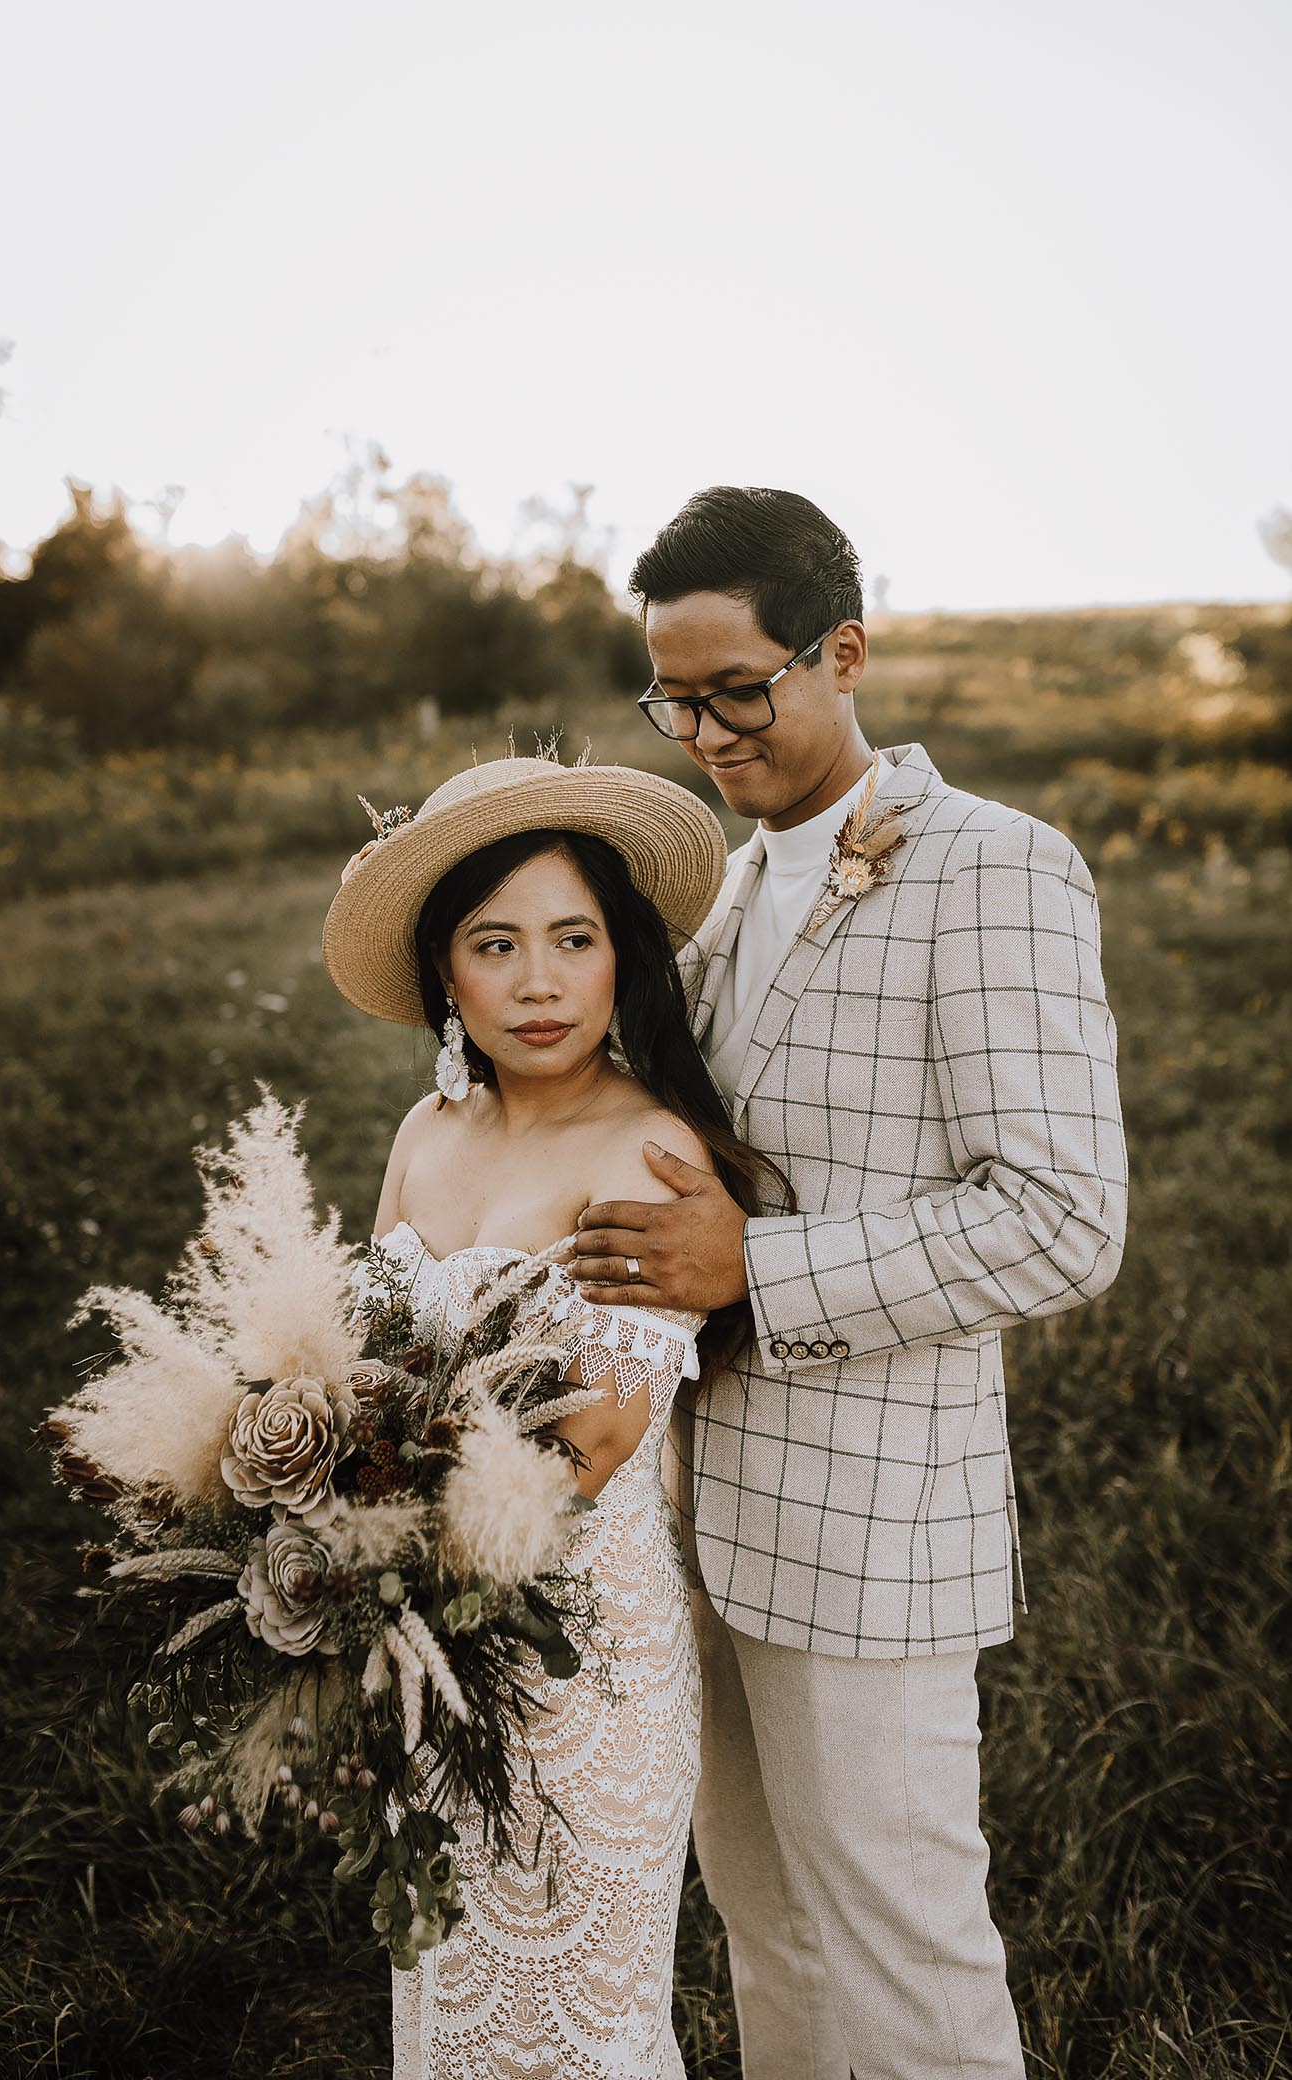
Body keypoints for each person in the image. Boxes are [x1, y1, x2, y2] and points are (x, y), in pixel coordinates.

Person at [570, 486, 1129, 2079]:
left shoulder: (993, 867)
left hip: (876, 1516)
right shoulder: (721, 887)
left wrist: (759, 1266)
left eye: (733, 690)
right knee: (770, 1928)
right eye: (668, 697)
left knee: (898, 1938)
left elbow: (1061, 1218)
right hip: (697, 1501)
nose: (700, 731)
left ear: (844, 655)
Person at [321, 754, 787, 2080]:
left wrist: (397, 1546)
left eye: (572, 941)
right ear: (444, 974)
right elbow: (360, 1367)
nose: (537, 983)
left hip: (577, 1648)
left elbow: (595, 1441)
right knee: (449, 1989)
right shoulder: (425, 1131)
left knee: (582, 2017)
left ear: (617, 959)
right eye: (496, 944)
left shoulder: (644, 1149)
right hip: (421, 1636)